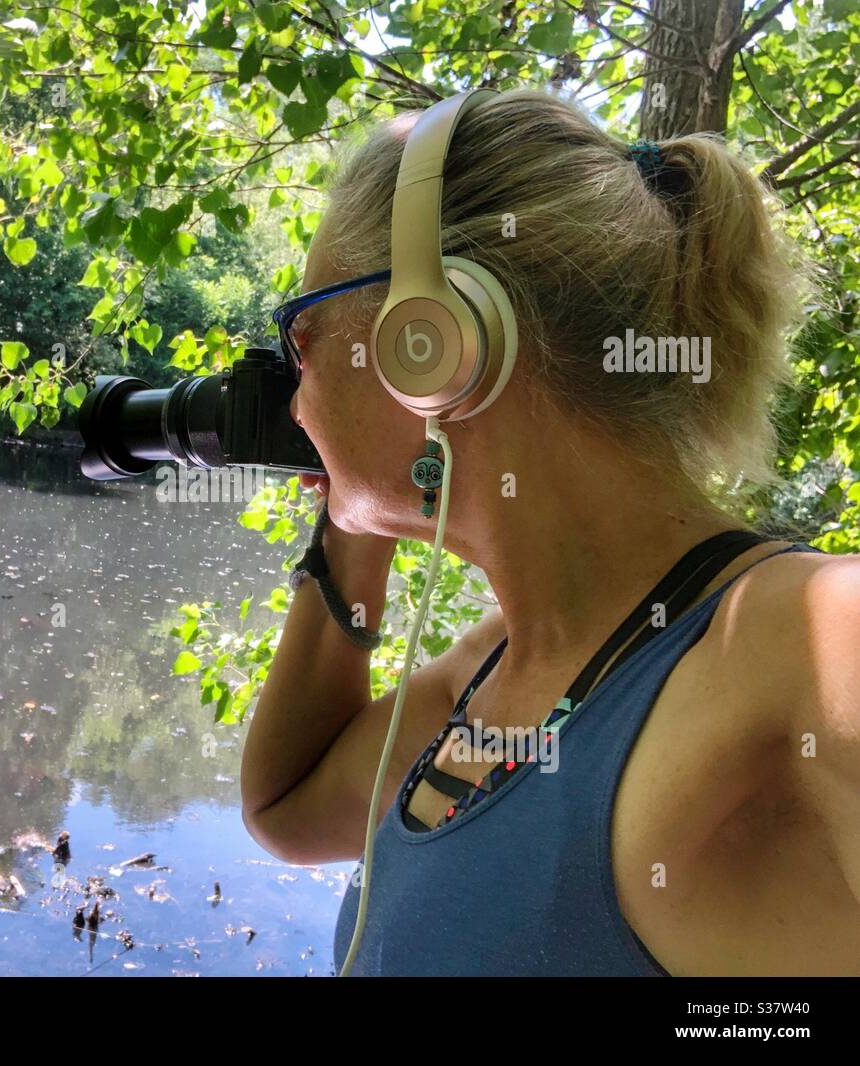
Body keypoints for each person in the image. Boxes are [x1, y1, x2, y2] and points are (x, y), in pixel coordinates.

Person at [239, 88, 860, 976]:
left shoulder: (818, 638)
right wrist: (349, 524)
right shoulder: (495, 671)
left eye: (303, 338)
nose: (293, 395)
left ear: (434, 341)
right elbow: (288, 809)